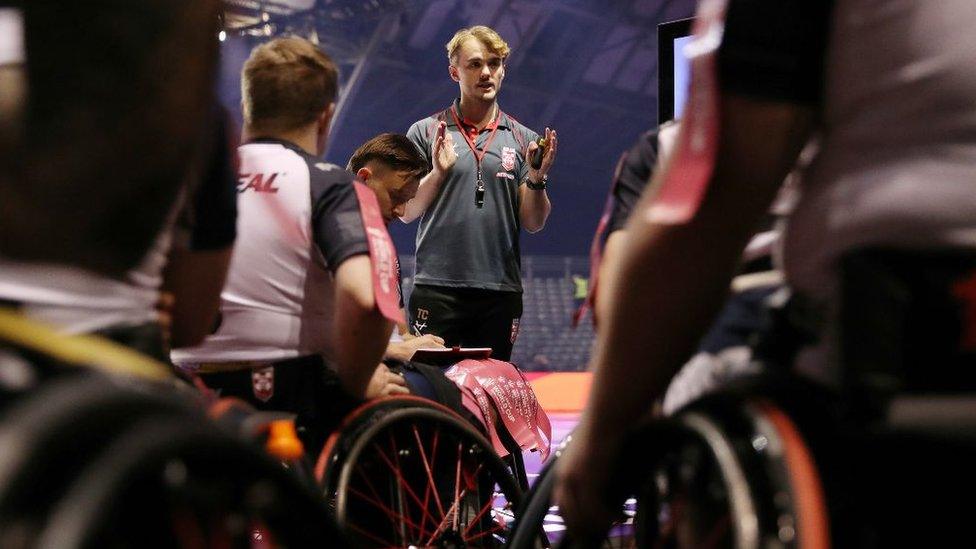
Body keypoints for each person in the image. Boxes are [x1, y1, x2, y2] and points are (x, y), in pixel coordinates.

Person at [555, 0, 976, 538]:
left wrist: (604, 433)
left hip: (893, 344)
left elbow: (706, 215)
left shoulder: (671, 140)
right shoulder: (653, 148)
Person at [171, 37, 402, 452]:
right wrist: (359, 380)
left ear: (249, 106)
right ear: (325, 116)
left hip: (183, 389)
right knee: (428, 391)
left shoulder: (194, 178)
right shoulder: (331, 184)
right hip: (287, 393)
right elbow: (365, 299)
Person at [402, 25, 558, 362]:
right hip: (437, 288)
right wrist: (439, 172)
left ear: (503, 70)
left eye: (494, 63)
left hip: (499, 292)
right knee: (431, 392)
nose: (486, 72)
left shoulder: (522, 138)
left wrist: (536, 177)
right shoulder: (426, 131)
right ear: (454, 71)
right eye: (474, 64)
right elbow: (407, 210)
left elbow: (533, 222)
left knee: (490, 394)